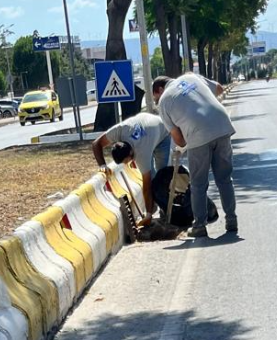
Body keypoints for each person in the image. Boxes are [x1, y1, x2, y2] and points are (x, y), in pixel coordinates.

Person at [152, 73, 235, 238]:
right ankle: (232, 220)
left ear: (160, 89)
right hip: (223, 125)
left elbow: (180, 141)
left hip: (198, 135)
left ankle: (199, 226)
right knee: (224, 179)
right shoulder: (192, 77)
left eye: (155, 98)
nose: (156, 101)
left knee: (198, 184)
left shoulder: (164, 102)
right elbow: (219, 88)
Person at [92, 112, 171, 215]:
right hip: (147, 126)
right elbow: (96, 144)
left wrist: (148, 215)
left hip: (162, 133)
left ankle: (165, 208)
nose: (127, 164)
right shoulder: (119, 130)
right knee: (152, 175)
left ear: (131, 153)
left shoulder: (142, 153)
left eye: (127, 161)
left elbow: (146, 186)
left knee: (161, 176)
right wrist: (103, 165)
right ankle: (153, 205)